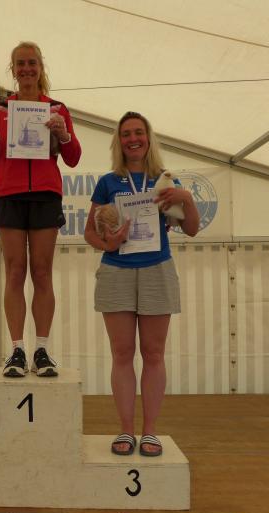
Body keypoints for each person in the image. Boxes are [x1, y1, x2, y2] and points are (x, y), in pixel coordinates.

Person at [83, 111, 199, 456]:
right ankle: (125, 430)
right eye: (126, 134)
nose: (133, 139)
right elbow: (89, 232)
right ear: (119, 142)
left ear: (148, 138)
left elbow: (191, 229)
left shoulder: (165, 181)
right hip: (116, 271)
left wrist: (186, 198)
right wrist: (109, 243)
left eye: (138, 132)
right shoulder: (108, 182)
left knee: (153, 353)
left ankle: (150, 431)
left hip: (157, 270)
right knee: (122, 354)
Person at [0, 42, 82, 378]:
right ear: (13, 69)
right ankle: (17, 350)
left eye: (32, 63)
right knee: (15, 271)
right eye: (20, 64)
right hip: (8, 195)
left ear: (40, 67)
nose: (26, 69)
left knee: (42, 271)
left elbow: (73, 158)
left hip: (45, 195)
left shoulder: (57, 109)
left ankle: (42, 350)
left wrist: (64, 134)